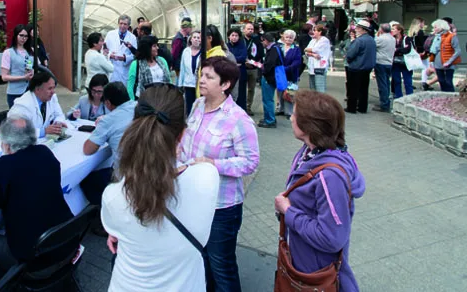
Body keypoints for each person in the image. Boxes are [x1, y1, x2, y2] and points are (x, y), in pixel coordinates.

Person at [102, 86, 220, 292]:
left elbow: (121, 229)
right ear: (183, 133)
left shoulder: (113, 196)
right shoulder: (206, 178)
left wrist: (122, 231)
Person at [179, 57, 259, 292]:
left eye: (208, 77)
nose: (201, 80)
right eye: (201, 75)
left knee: (221, 266)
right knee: (201, 259)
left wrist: (213, 164)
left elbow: (250, 162)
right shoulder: (197, 105)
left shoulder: (238, 120)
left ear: (225, 84)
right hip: (195, 200)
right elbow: (188, 141)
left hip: (221, 207)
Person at [273, 90, 365, 292]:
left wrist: (289, 212)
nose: (290, 118)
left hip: (313, 272)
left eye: (295, 115)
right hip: (300, 261)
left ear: (309, 126)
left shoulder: (329, 177)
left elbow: (332, 237)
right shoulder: (308, 152)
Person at [0, 116, 74, 289]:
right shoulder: (45, 153)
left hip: (37, 260)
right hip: (66, 242)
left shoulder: (6, 164)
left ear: (7, 145)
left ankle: (9, 286)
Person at [81, 82, 136, 206]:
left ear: (108, 103)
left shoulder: (108, 121)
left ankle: (108, 209)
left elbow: (87, 149)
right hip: (148, 169)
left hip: (124, 176)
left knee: (87, 180)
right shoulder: (140, 107)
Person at [7, 71, 68, 138]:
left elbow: (59, 114)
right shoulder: (23, 105)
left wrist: (58, 124)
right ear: (37, 89)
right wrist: (43, 131)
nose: (53, 92)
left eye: (54, 88)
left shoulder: (52, 98)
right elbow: (16, 130)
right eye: (50, 88)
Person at [1, 24, 36, 109]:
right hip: (15, 92)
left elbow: (30, 68)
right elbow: (4, 77)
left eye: (26, 36)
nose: (23, 38)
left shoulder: (30, 52)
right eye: (21, 35)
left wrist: (32, 73)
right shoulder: (8, 53)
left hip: (29, 91)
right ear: (16, 35)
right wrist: (23, 77)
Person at [345, 21, 376, 114]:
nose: (356, 30)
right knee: (363, 89)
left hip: (356, 67)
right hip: (367, 68)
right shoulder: (371, 39)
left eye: (358, 28)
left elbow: (350, 54)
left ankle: (352, 108)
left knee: (353, 89)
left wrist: (349, 59)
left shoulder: (359, 41)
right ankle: (362, 108)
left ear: (363, 29)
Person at [127, 35, 172, 99]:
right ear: (147, 48)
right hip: (144, 100)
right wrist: (133, 102)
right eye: (154, 46)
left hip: (163, 99)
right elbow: (130, 86)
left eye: (157, 45)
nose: (157, 48)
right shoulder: (136, 64)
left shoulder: (162, 61)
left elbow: (169, 81)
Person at [430, 19, 461, 92]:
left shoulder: (451, 36)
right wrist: (431, 62)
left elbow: (458, 51)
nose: (434, 29)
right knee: (441, 81)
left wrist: (449, 61)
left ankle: (451, 97)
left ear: (442, 27)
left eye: (435, 27)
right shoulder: (436, 37)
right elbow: (433, 50)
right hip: (437, 63)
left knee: (448, 82)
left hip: (448, 62)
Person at [105, 15, 138, 83]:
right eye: (121, 23)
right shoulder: (110, 34)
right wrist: (110, 55)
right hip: (112, 69)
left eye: (125, 24)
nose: (122, 26)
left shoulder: (132, 37)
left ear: (128, 26)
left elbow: (135, 55)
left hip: (124, 70)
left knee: (123, 91)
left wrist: (125, 58)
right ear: (118, 23)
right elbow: (104, 50)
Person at [177, 29, 203, 116]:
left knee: (200, 105)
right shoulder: (186, 51)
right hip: (188, 83)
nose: (196, 39)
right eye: (194, 37)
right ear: (190, 39)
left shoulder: (203, 52)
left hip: (200, 84)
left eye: (198, 37)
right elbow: (182, 68)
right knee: (189, 107)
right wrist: (180, 84)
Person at [278, 30, 303, 117]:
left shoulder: (296, 49)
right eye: (287, 37)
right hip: (281, 74)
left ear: (294, 39)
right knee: (280, 91)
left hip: (291, 73)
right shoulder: (279, 47)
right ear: (283, 37)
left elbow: (297, 62)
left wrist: (287, 68)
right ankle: (281, 108)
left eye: (290, 37)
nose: (288, 39)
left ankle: (289, 112)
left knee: (290, 93)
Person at [258, 33, 281, 129]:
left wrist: (262, 68)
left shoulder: (273, 50)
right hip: (271, 77)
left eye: (262, 40)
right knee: (267, 99)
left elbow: (269, 64)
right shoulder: (276, 48)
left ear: (266, 40)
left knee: (268, 99)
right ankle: (268, 117)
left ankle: (270, 120)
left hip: (269, 77)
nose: (262, 42)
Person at [242, 22, 264, 116]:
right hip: (242, 67)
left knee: (251, 88)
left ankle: (248, 106)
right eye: (248, 29)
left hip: (253, 67)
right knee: (241, 88)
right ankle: (241, 106)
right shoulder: (240, 40)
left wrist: (254, 62)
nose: (250, 30)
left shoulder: (256, 40)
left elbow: (260, 53)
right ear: (244, 30)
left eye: (251, 29)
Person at [373, 24, 395, 112]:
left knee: (382, 84)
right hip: (389, 62)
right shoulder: (392, 38)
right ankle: (386, 101)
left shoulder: (380, 39)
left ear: (381, 30)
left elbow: (373, 46)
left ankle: (384, 104)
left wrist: (377, 35)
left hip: (380, 62)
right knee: (386, 82)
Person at [304, 24, 332, 93]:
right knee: (312, 88)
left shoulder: (324, 40)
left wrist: (310, 51)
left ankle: (321, 103)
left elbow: (316, 49)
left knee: (320, 88)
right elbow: (305, 50)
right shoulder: (312, 40)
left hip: (320, 66)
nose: (313, 32)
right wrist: (313, 54)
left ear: (320, 32)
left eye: (315, 30)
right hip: (311, 66)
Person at [227, 28, 248, 111]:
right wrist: (235, 62)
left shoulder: (242, 46)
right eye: (232, 35)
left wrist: (232, 60)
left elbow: (243, 57)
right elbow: (225, 58)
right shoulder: (226, 46)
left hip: (241, 73)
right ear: (228, 36)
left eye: (236, 35)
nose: (234, 37)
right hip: (229, 73)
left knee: (241, 94)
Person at [391, 23, 415, 97]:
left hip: (406, 63)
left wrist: (397, 50)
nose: (392, 31)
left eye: (393, 29)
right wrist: (401, 50)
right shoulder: (392, 39)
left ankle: (409, 97)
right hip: (395, 63)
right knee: (396, 81)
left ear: (399, 30)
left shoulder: (406, 38)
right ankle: (398, 97)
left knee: (407, 81)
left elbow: (407, 50)